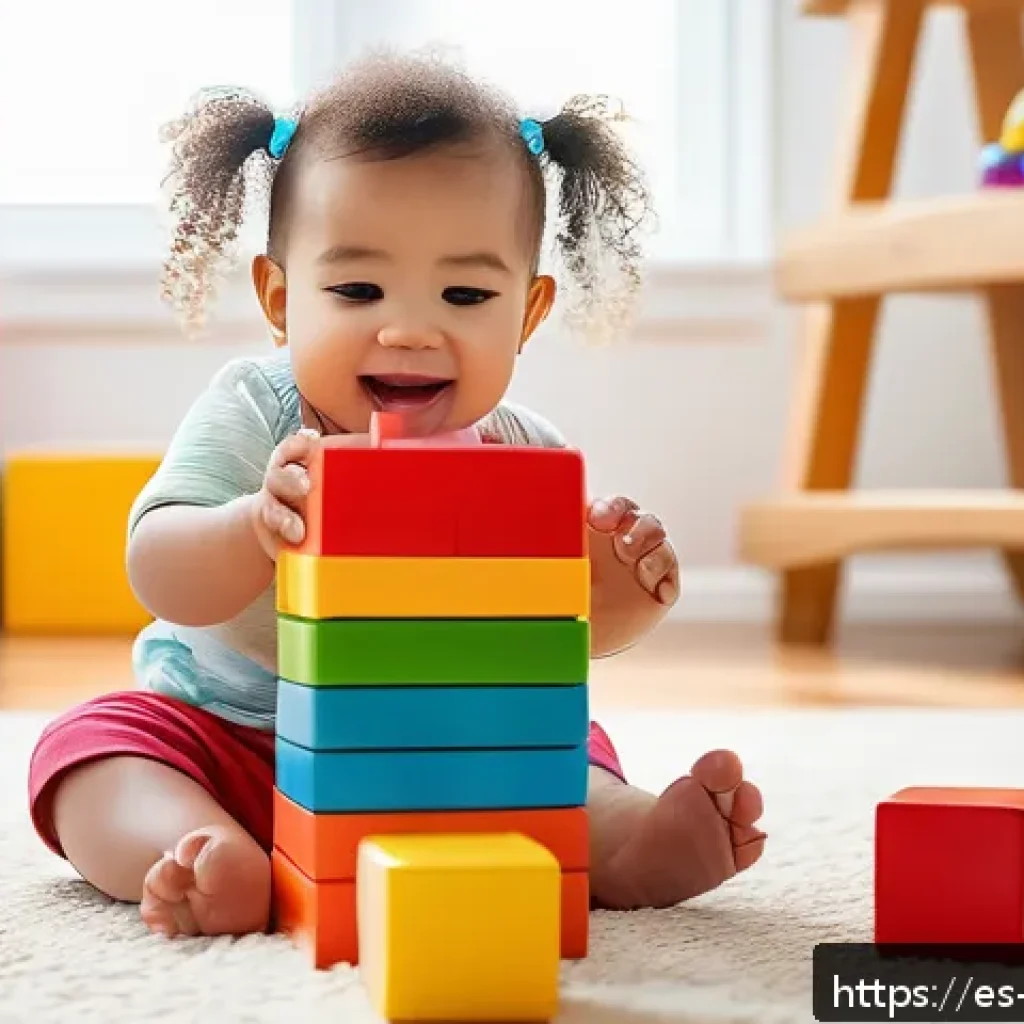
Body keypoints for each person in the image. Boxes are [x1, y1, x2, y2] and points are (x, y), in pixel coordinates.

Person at [27, 50, 765, 940]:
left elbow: (562, 639)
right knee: (90, 749)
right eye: (356, 288)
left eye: (464, 292)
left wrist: (625, 586)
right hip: (230, 742)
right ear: (279, 298)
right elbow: (158, 570)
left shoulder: (523, 454)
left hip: (443, 754)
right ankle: (201, 850)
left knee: (566, 749)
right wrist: (249, 527)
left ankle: (625, 840)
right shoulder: (260, 414)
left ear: (527, 315)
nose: (410, 328)